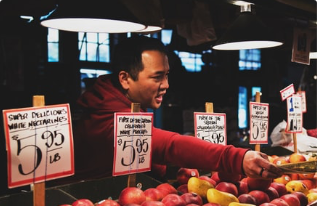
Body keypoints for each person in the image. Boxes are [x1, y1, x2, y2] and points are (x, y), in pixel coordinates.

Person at [73, 35, 282, 183]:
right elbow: (167, 145)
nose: (166, 85)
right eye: (157, 77)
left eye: (167, 75)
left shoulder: (122, 104)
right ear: (125, 79)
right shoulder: (105, 116)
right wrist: (235, 158)